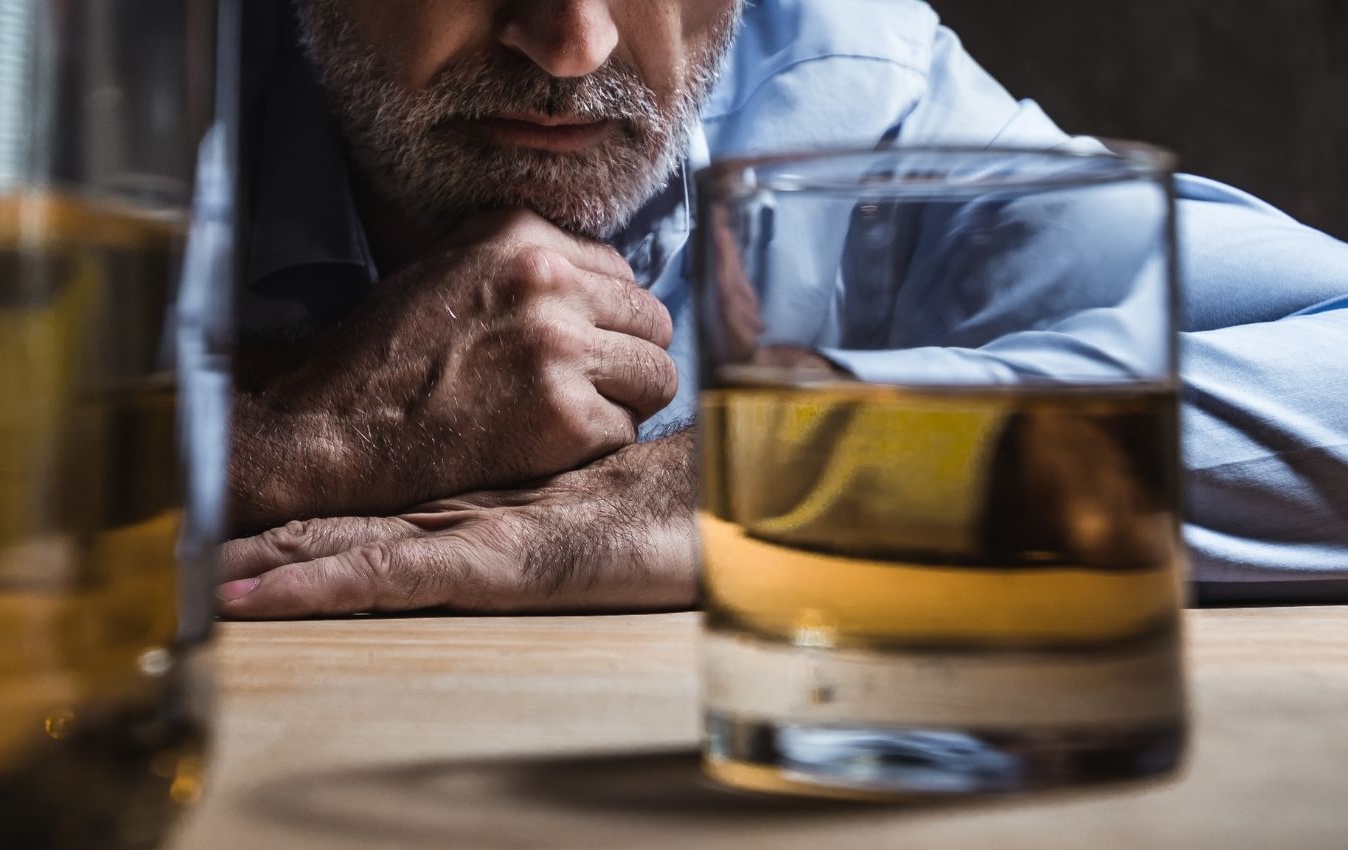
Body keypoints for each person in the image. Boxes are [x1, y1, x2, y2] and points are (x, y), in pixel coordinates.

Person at [218, 0, 1348, 618]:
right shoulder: (93, 64)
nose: (576, 44)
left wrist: (774, 472)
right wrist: (282, 440)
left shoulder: (851, 90)